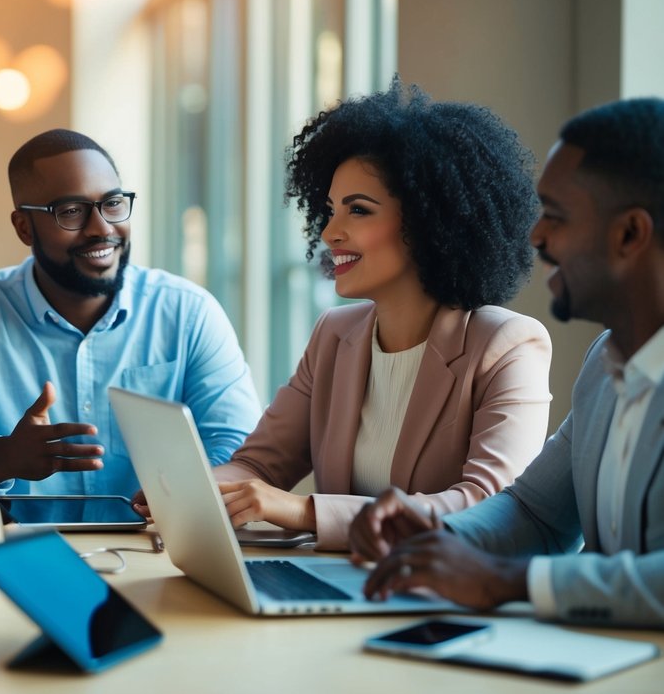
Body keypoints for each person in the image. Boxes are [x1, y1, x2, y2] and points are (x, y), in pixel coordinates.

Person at [354, 97, 664, 628]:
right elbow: (536, 512)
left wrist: (506, 581)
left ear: (630, 235)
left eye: (557, 217)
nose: (536, 236)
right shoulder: (606, 367)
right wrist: (437, 537)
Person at [207, 79, 552, 550]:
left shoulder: (506, 345)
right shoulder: (334, 334)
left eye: (359, 211)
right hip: (344, 586)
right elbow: (259, 466)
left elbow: (488, 507)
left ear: (432, 221)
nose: (330, 232)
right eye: (329, 211)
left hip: (442, 603)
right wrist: (198, 490)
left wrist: (305, 510)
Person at [0, 128, 261, 500]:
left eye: (113, 203)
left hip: (162, 553)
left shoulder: (188, 313)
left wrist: (182, 496)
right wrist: (0, 457)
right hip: (17, 555)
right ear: (24, 228)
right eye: (71, 211)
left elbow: (241, 451)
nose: (101, 229)